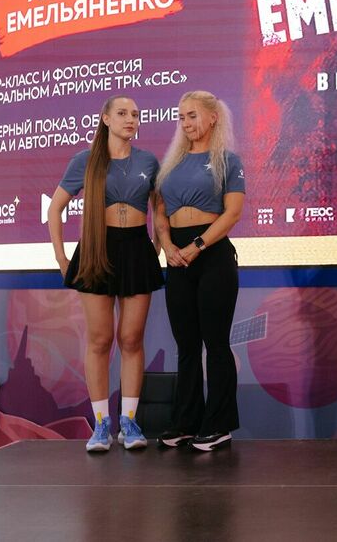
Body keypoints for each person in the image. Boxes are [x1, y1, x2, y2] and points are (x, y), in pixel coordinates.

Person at [48, 95, 163, 452]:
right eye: (123, 113)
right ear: (106, 119)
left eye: (136, 114)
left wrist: (157, 246)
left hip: (136, 250)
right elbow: (55, 209)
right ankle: (101, 425)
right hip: (97, 250)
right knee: (100, 339)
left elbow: (159, 210)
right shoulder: (85, 160)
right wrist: (62, 258)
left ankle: (129, 422)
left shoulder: (148, 160)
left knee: (131, 338)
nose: (131, 119)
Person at [154, 91, 245, 452]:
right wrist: (168, 245)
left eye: (192, 115)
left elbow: (232, 213)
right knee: (186, 345)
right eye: (181, 117)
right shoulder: (171, 164)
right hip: (177, 258)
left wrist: (197, 246)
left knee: (215, 342)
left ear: (212, 117)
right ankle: (186, 422)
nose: (186, 123)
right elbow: (160, 211)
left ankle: (219, 425)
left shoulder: (228, 161)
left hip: (212, 256)